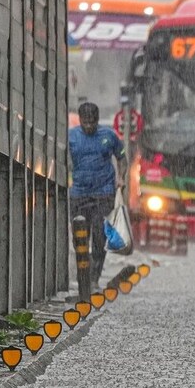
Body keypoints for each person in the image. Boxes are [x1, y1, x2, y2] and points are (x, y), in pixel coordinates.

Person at [69, 102, 127, 291]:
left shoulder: (109, 136)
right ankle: (83, 277)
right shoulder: (71, 137)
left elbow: (122, 157)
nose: (88, 126)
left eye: (92, 123)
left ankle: (94, 277)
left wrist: (121, 177)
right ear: (80, 120)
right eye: (85, 123)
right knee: (80, 238)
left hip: (103, 194)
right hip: (79, 194)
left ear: (97, 120)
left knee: (99, 236)